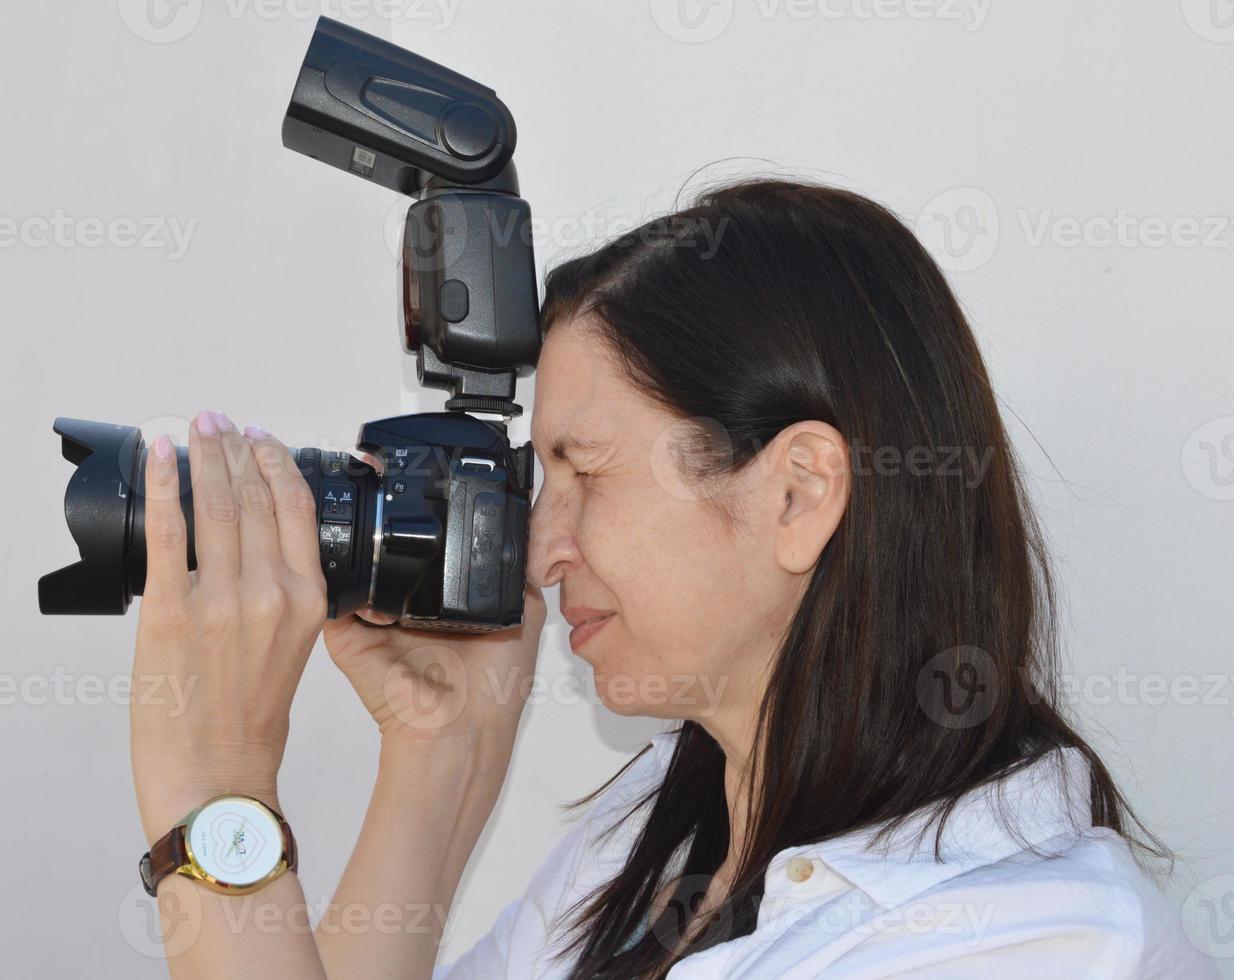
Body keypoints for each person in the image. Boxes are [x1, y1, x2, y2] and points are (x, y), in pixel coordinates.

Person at [126, 178, 1218, 978]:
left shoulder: (1038, 942)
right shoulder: (650, 837)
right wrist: (438, 760)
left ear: (795, 493)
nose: (541, 551)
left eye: (582, 473)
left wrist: (215, 793)